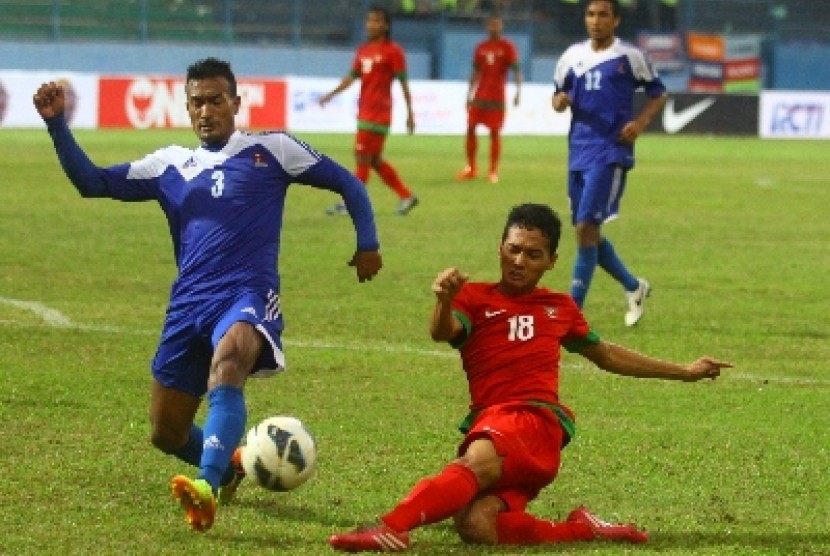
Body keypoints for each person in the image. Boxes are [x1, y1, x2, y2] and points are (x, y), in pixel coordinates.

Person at [33, 57, 383, 533]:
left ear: (236, 102)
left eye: (216, 100)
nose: (206, 111)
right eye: (196, 102)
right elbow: (91, 183)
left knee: (229, 366)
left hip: (247, 292)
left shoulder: (272, 149)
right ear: (186, 107)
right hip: (188, 303)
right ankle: (234, 462)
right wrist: (57, 124)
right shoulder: (170, 164)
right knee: (166, 431)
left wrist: (367, 243)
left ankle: (207, 485)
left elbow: (347, 182)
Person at [328, 203, 731, 552]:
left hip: (533, 421)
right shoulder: (475, 298)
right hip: (494, 423)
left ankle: (390, 528)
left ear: (552, 261)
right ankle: (582, 530)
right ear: (500, 249)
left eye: (533, 254)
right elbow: (443, 332)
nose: (520, 261)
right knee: (475, 524)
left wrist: (685, 372)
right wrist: (444, 300)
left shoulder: (559, 307)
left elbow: (606, 355)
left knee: (475, 463)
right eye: (513, 250)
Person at [552, 0, 667, 326]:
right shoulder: (570, 58)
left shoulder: (629, 56)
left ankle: (571, 313)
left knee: (587, 227)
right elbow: (558, 98)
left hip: (611, 151)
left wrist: (639, 123)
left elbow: (658, 93)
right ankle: (634, 286)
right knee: (586, 231)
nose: (596, 20)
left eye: (603, 14)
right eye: (590, 14)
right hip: (578, 151)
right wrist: (559, 101)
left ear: (615, 20)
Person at [319, 5, 419, 216]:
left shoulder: (393, 51)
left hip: (379, 114)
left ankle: (350, 203)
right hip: (365, 112)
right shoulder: (363, 50)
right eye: (369, 20)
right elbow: (351, 77)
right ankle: (406, 196)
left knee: (362, 157)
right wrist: (331, 94)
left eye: (376, 21)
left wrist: (410, 113)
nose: (370, 25)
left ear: (385, 25)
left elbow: (403, 83)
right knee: (373, 160)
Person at [456, 14, 522, 184]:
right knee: (470, 128)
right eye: (491, 25)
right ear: (487, 27)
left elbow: (516, 71)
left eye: (497, 25)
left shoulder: (508, 47)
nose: (494, 28)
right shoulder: (481, 47)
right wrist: (468, 94)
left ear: (501, 27)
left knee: (494, 133)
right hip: (479, 97)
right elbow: (475, 72)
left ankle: (493, 171)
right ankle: (471, 168)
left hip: (497, 98)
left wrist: (518, 91)